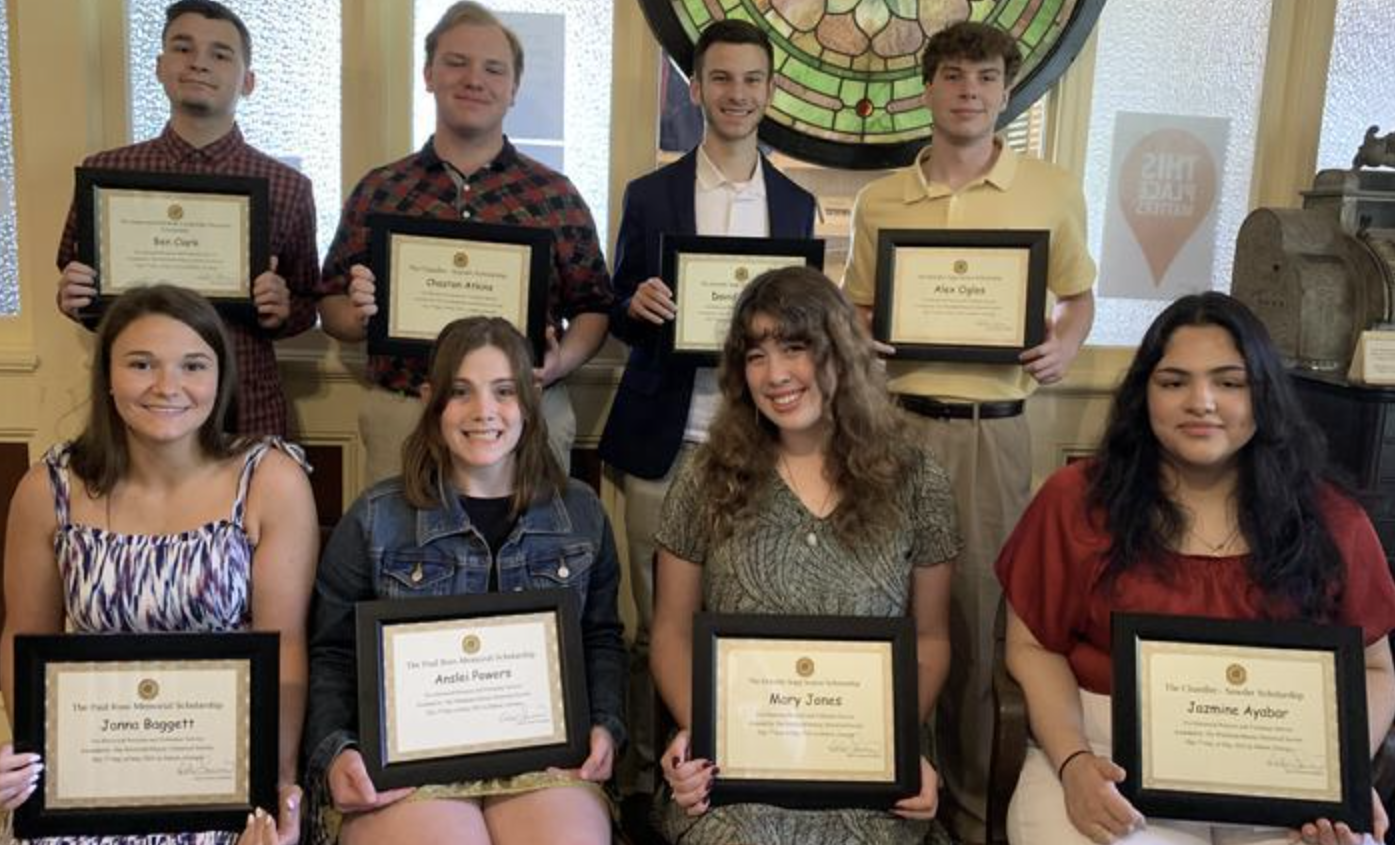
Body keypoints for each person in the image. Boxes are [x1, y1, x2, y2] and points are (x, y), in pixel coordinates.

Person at [997, 292, 1395, 845]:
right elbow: (1033, 646)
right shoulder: (1076, 502)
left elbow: (1373, 668)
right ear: (1145, 395)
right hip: (1107, 764)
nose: (1201, 401)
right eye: (1174, 381)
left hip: (1282, 772)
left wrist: (1341, 777)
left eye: (1230, 382)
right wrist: (1074, 763)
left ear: (1264, 394)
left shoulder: (1330, 518)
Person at [839, 21, 1098, 841]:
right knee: (887, 609)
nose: (969, 92)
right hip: (896, 424)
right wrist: (865, 335)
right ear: (927, 87)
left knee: (980, 618)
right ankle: (888, 788)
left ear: (1006, 90)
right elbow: (854, 304)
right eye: (952, 76)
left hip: (995, 428)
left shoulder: (1050, 188)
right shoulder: (883, 198)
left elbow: (1077, 295)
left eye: (985, 77)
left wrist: (1065, 341)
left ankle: (975, 804)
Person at [649, 266, 958, 845]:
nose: (775, 375)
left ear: (839, 352)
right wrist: (701, 732)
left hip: (867, 760)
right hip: (735, 762)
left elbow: (933, 639)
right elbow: (669, 632)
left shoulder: (917, 480)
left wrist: (895, 743)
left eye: (795, 348)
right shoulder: (704, 477)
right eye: (756, 354)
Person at [0, 285, 318, 844]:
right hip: (94, 765)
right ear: (106, 376)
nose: (168, 386)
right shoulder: (47, 488)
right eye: (141, 363)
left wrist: (278, 784)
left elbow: (286, 644)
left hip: (224, 768)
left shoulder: (271, 479)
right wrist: (30, 754)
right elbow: (24, 636)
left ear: (221, 379)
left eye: (193, 365)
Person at [596, 17, 817, 795]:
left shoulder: (796, 204)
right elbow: (613, 305)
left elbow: (807, 329)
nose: (737, 93)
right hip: (664, 436)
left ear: (771, 90)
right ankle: (652, 783)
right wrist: (639, 300)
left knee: (741, 609)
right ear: (696, 90)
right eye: (721, 78)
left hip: (760, 449)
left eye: (752, 79)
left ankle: (741, 768)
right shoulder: (650, 195)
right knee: (653, 618)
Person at [302, 316, 625, 845]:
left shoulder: (581, 512)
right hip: (409, 767)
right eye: (460, 393)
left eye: (503, 392)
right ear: (431, 402)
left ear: (529, 399)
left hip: (543, 760)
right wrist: (338, 750)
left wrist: (606, 725)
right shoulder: (375, 517)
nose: (484, 412)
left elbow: (600, 638)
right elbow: (334, 654)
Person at [316, 1, 612, 484]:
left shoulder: (556, 196)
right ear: (429, 73)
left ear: (513, 88)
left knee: (531, 555)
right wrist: (357, 311)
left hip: (523, 414)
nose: (475, 79)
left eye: (493, 69)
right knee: (399, 554)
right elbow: (331, 309)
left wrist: (559, 365)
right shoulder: (380, 189)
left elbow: (595, 306)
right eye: (456, 62)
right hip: (406, 413)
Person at [55, 0, 319, 438]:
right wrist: (74, 296)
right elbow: (78, 284)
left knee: (257, 508)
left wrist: (283, 309)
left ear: (248, 81)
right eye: (183, 48)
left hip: (245, 403)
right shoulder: (110, 176)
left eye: (220, 54)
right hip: (140, 404)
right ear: (159, 66)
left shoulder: (287, 186)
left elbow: (308, 301)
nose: (199, 63)